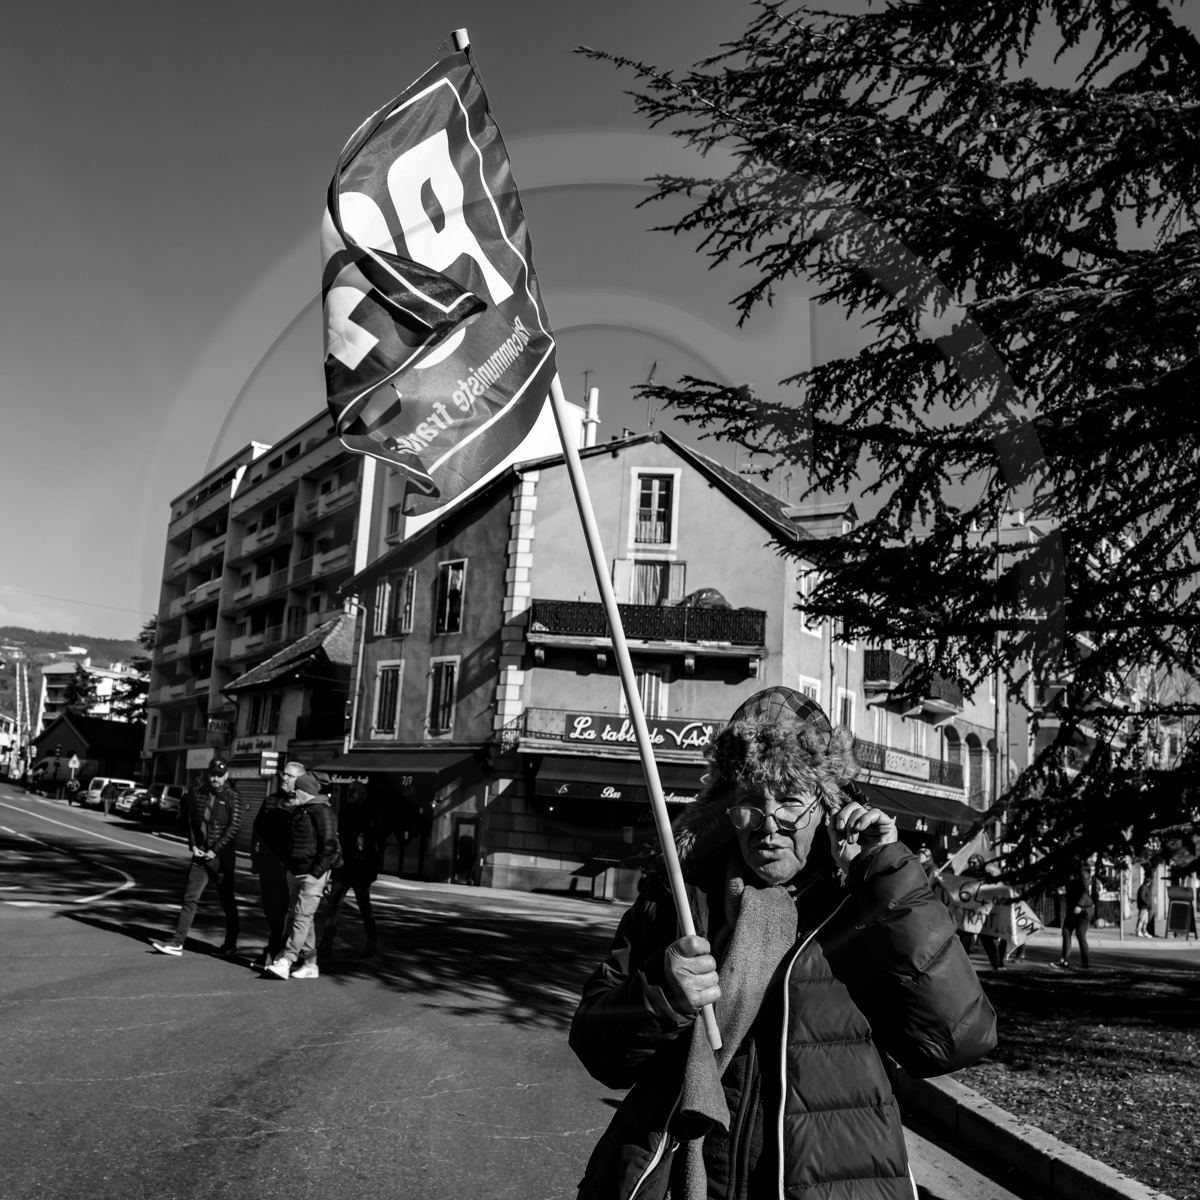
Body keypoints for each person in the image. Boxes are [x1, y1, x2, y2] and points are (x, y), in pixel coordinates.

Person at [570, 687, 997, 1200]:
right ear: (727, 808)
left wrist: (887, 874)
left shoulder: (866, 902)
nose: (769, 827)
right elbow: (598, 1046)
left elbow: (956, 1039)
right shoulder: (678, 900)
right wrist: (664, 994)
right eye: (751, 803)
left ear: (828, 805)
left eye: (792, 800)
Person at [151, 757, 243, 957]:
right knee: (189, 898)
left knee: (227, 901)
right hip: (200, 857)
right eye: (213, 775)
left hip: (222, 859)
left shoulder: (232, 797)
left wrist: (215, 850)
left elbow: (234, 826)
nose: (216, 779)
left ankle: (230, 944)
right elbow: (191, 821)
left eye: (219, 775)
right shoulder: (198, 794)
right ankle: (177, 942)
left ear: (226, 775)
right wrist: (193, 846)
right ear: (207, 774)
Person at [262, 773, 340, 980]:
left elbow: (330, 847)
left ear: (305, 791)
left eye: (297, 788)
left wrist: (315, 874)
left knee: (301, 917)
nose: (293, 791)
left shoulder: (323, 812)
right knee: (304, 919)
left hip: (312, 874)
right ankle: (310, 964)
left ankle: (286, 960)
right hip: (296, 872)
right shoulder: (301, 810)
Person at [318, 781, 384, 959]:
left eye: (353, 791)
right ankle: (326, 943)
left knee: (364, 908)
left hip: (362, 869)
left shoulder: (371, 815)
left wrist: (373, 871)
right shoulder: (344, 813)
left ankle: (371, 946)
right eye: (349, 791)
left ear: (363, 795)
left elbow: (378, 844)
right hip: (342, 867)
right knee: (333, 907)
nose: (350, 793)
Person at [248, 762, 304, 969]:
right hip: (267, 865)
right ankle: (277, 948)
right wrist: (254, 858)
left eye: (289, 776)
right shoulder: (270, 801)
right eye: (283, 774)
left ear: (298, 780)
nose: (284, 778)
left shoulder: (301, 804)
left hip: (288, 868)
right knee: (270, 909)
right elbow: (257, 830)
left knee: (283, 911)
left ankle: (276, 950)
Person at [1054, 860, 1095, 969]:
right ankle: (1064, 960)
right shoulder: (1069, 874)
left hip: (1084, 909)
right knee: (1066, 931)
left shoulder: (1083, 875)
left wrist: (1079, 905)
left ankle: (1084, 963)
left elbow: (1086, 891)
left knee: (1080, 934)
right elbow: (1068, 887)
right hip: (1073, 908)